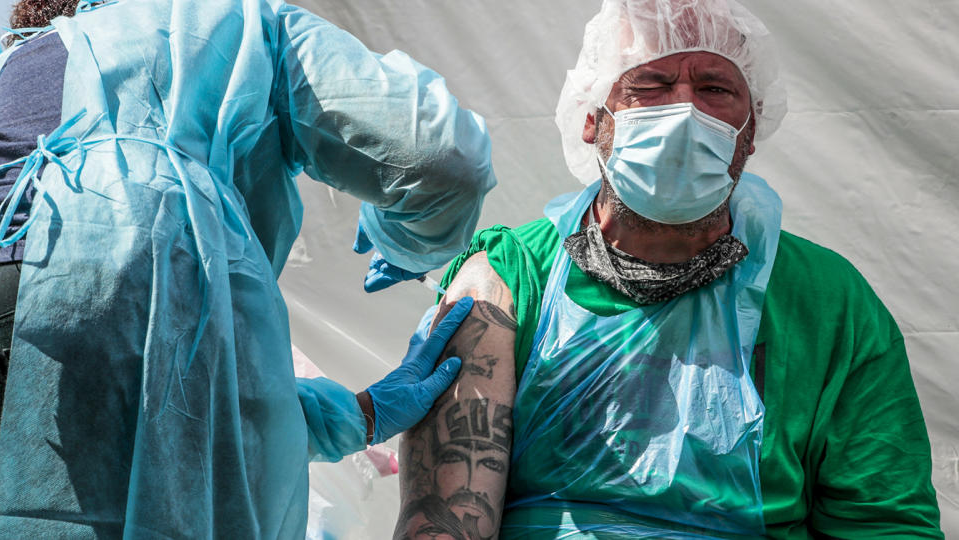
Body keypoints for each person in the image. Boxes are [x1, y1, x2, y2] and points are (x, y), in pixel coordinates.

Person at [395, 0, 944, 538]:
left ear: (750, 132)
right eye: (650, 85)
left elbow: (883, 522)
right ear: (592, 121)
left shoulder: (826, 300)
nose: (684, 112)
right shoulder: (509, 277)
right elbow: (444, 521)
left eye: (714, 89)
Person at [0, 0, 497, 537]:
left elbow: (183, 418)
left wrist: (354, 419)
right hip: (122, 266)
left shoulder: (9, 71)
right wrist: (405, 245)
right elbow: (443, 159)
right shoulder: (221, 19)